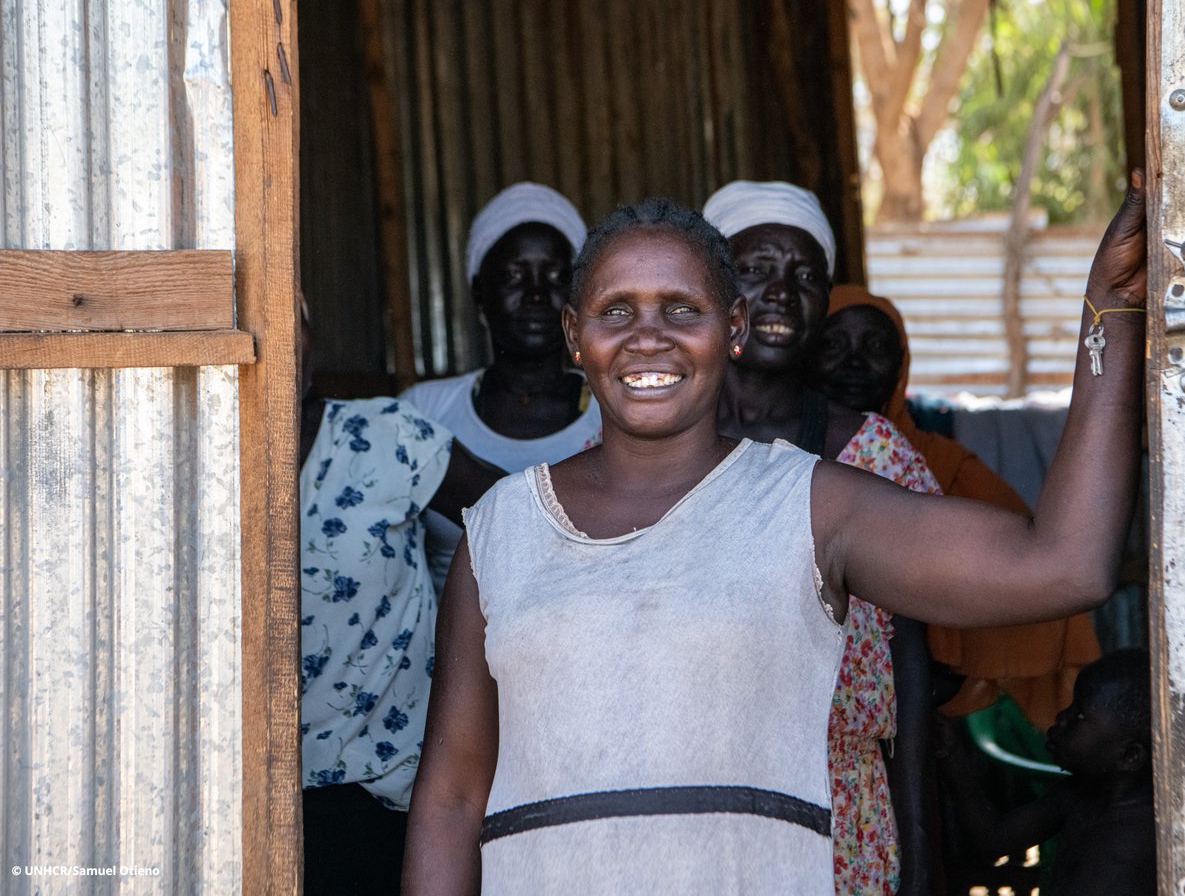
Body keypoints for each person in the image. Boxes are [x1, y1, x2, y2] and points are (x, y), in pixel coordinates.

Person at [402, 178, 1146, 894]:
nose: (649, 338)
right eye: (616, 311)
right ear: (575, 333)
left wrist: (1107, 311)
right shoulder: (501, 530)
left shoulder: (812, 505)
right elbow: (452, 800)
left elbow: (1064, 564)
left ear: (732, 328)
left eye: (682, 309)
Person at [704, 181, 939, 895]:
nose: (781, 292)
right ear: (710, 285)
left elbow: (911, 661)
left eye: (805, 275)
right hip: (685, 797)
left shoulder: (876, 455)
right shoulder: (642, 446)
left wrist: (922, 849)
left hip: (839, 805)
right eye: (756, 269)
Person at [819, 285, 1102, 730]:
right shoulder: (779, 456)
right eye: (832, 344)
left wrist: (951, 668)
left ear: (901, 364)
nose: (854, 360)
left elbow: (1033, 563)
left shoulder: (938, 463)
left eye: (875, 346)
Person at [298, 305, 500, 895]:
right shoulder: (179, 452)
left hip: (387, 801)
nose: (278, 335)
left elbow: (520, 522)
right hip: (236, 799)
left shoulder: (384, 438)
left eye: (296, 317)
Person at [402, 182, 603, 593]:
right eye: (513, 276)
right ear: (479, 294)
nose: (535, 294)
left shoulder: (615, 409)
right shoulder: (424, 412)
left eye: (556, 276)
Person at [933, 649, 1155, 895]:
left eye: (1079, 714)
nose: (1061, 717)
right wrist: (951, 754)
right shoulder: (1077, 795)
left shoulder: (1147, 832)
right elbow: (993, 839)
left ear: (1129, 756)